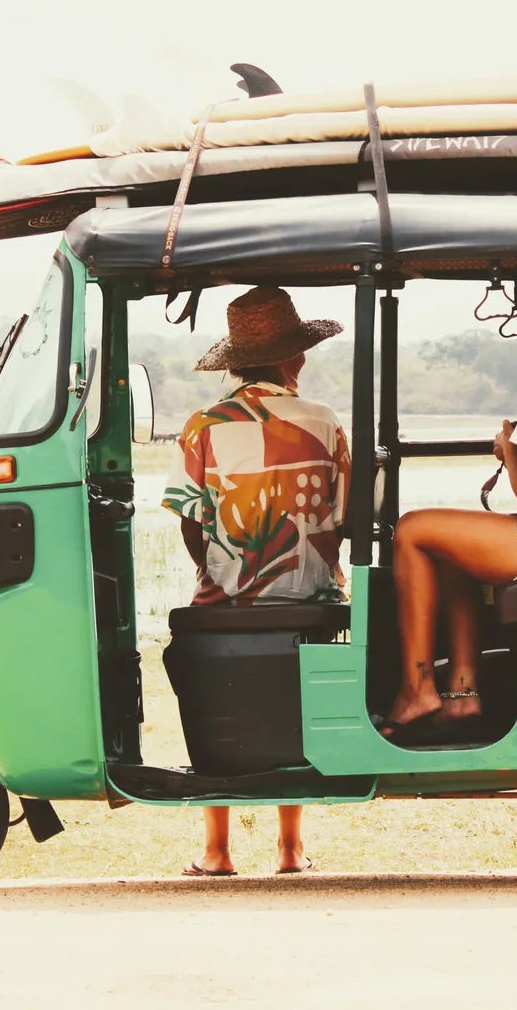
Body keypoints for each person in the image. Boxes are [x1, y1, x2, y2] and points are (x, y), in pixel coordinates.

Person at [161, 285, 350, 875]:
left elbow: (191, 519)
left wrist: (216, 575)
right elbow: (346, 517)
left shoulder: (203, 426)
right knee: (291, 704)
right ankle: (291, 848)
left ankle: (217, 851)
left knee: (216, 696)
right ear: (291, 358)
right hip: (312, 602)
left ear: (237, 362)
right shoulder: (323, 422)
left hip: (228, 601)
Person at [380, 276, 517, 745]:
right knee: (447, 550)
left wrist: (508, 448)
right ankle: (462, 692)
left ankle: (417, 688)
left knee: (412, 530)